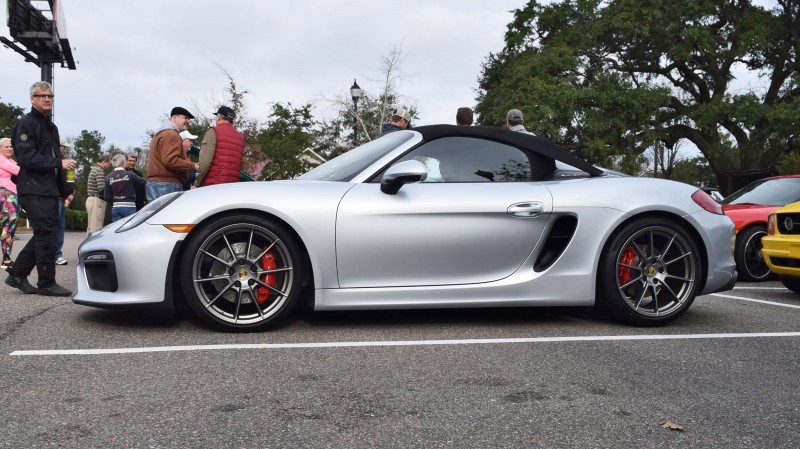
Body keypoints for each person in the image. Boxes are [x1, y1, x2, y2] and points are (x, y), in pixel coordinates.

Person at [5, 81, 76, 296]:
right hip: (32, 188)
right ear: (32, 99)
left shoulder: (50, 127)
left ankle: (17, 274)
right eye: (41, 95)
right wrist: (58, 164)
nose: (47, 99)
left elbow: (56, 158)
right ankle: (46, 283)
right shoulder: (26, 124)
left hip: (47, 188)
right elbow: (27, 158)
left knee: (46, 233)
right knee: (47, 232)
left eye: (50, 95)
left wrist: (65, 190)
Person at [146, 106, 199, 201]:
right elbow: (170, 161)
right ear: (174, 118)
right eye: (185, 118)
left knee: (158, 215)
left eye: (189, 119)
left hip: (158, 184)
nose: (188, 121)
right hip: (167, 185)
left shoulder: (161, 133)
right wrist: (193, 166)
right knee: (169, 215)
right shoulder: (171, 134)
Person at [194, 106, 245, 187]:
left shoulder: (213, 132)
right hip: (233, 185)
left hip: (213, 184)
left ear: (218, 118)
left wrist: (197, 182)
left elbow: (205, 161)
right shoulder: (240, 137)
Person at [104, 154, 146, 222]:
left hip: (115, 207)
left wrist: (115, 201)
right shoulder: (130, 174)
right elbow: (144, 182)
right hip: (129, 206)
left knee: (117, 229)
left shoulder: (108, 177)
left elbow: (107, 197)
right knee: (129, 230)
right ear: (124, 163)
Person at [0, 137, 20, 270]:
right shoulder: (1, 160)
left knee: (10, 225)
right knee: (8, 225)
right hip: (5, 193)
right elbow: (19, 171)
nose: (10, 148)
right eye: (6, 146)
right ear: (0, 149)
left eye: (11, 146)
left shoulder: (12, 161)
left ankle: (6, 258)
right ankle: (6, 259)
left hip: (13, 194)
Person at [55, 140, 75, 265]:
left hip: (62, 199)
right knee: (52, 227)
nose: (64, 149)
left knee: (60, 227)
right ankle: (49, 254)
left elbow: (69, 180)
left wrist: (70, 193)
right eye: (63, 147)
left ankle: (57, 254)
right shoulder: (51, 161)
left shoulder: (66, 163)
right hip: (53, 198)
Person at [85, 153, 111, 233]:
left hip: (92, 199)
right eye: (109, 163)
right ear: (104, 162)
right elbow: (102, 189)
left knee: (91, 227)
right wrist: (111, 198)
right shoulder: (99, 170)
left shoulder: (95, 169)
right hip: (97, 201)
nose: (109, 166)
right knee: (96, 229)